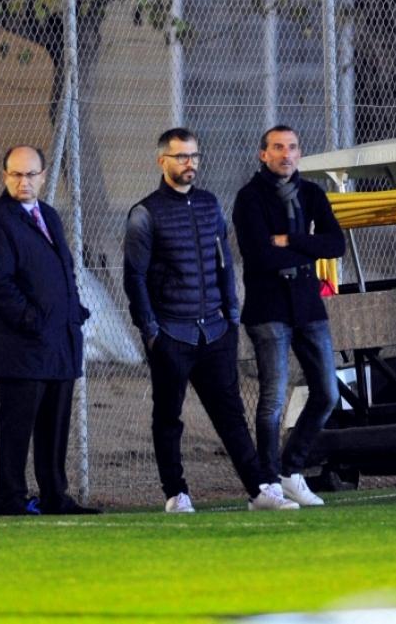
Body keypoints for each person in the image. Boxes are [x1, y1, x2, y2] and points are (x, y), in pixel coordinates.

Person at [123, 128, 299, 512]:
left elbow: (223, 264)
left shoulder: (209, 204)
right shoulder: (145, 213)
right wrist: (151, 331)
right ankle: (176, 493)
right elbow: (134, 277)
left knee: (231, 416)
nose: (190, 164)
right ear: (162, 161)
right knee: (168, 417)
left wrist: (231, 316)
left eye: (195, 156)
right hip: (171, 334)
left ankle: (258, 492)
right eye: (181, 156)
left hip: (216, 332)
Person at [0, 145, 100, 517]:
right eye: (15, 174)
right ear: (4, 175)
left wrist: (73, 314)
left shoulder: (50, 216)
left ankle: (55, 496)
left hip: (61, 341)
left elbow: (65, 272)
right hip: (22, 346)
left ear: (42, 176)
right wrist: (35, 321)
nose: (23, 181)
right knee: (17, 425)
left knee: (54, 425)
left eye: (30, 174)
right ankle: (9, 498)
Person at [232, 125, 344, 507]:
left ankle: (290, 468)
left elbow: (336, 244)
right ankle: (267, 484)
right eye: (278, 147)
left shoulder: (311, 193)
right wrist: (307, 251)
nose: (286, 154)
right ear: (263, 154)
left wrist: (292, 241)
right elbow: (260, 256)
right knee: (273, 399)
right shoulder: (249, 198)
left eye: (292, 147)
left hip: (309, 305)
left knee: (327, 393)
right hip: (269, 309)